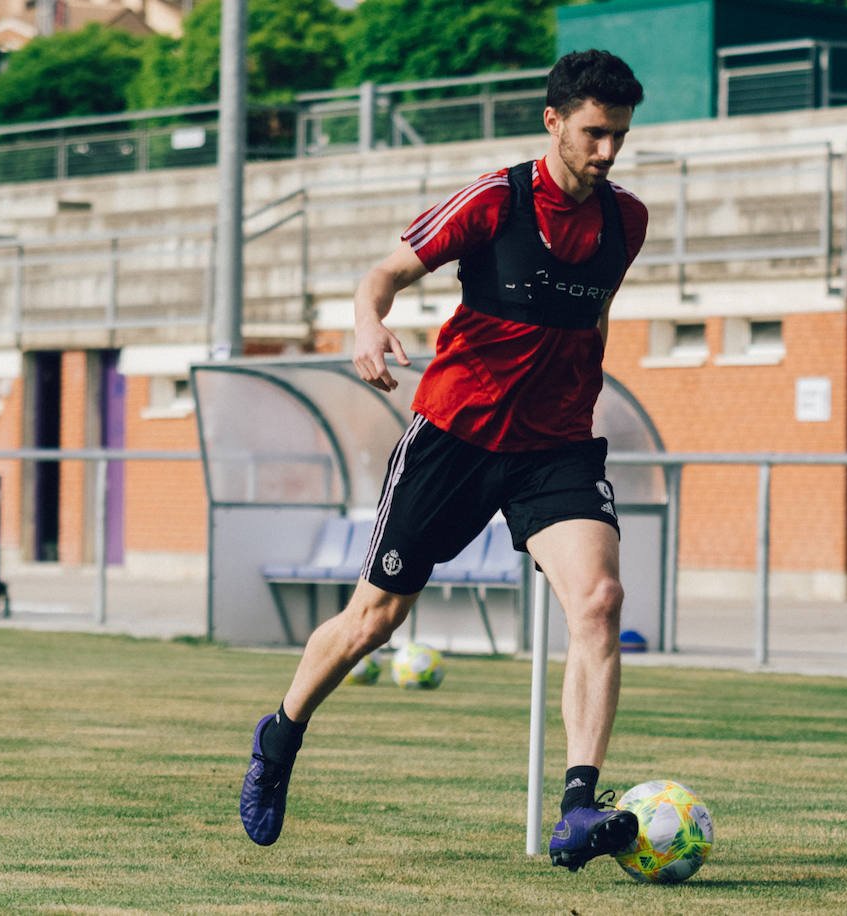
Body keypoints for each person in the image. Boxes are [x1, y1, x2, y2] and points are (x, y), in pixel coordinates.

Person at [240, 49, 648, 872]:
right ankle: (279, 737)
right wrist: (367, 326)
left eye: (620, 137)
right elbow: (382, 275)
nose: (607, 153)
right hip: (454, 436)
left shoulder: (627, 220)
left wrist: (578, 402)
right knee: (375, 620)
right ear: (554, 122)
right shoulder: (494, 200)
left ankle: (576, 808)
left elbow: (595, 318)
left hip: (556, 446)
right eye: (595, 134)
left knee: (599, 600)